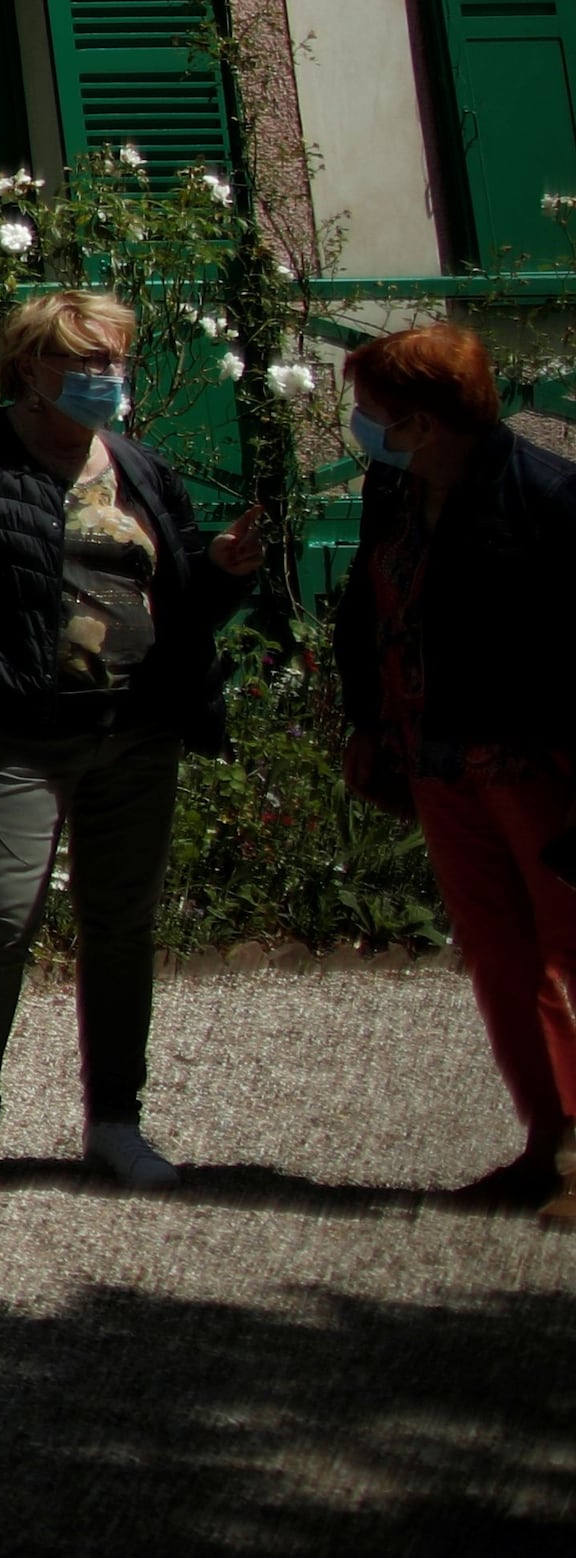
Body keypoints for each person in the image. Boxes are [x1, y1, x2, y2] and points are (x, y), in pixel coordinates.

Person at [0, 290, 267, 1196]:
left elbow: (184, 605)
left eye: (114, 361)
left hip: (137, 727)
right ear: (29, 366)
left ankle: (116, 1123)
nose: (103, 379)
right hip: (17, 732)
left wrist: (223, 577)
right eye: (83, 363)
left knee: (121, 928)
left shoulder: (141, 469)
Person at [330, 322, 576, 1221]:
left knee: (571, 947)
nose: (362, 426)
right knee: (501, 956)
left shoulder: (548, 497)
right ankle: (546, 1143)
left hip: (533, 761)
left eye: (373, 414)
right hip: (435, 755)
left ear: (424, 420)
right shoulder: (392, 490)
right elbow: (365, 606)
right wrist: (367, 720)